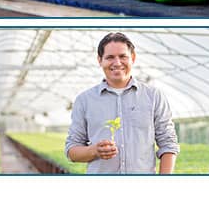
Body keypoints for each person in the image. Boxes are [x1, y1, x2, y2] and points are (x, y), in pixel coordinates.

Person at [65, 32, 179, 174]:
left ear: (133, 58)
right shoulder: (84, 100)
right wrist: (94, 151)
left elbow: (168, 143)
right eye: (110, 57)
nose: (117, 63)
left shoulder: (153, 96)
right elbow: (71, 150)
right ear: (100, 60)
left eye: (123, 56)